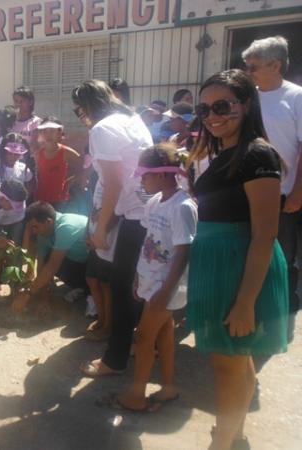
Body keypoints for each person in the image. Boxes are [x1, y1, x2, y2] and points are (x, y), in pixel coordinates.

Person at [187, 69, 288, 450]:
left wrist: (246, 301)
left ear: (246, 105)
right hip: (220, 264)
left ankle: (222, 443)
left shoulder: (257, 153)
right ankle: (235, 434)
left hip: (238, 266)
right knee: (234, 357)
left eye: (222, 106)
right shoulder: (227, 151)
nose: (212, 115)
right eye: (205, 108)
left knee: (227, 362)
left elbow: (265, 234)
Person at [72, 79, 154, 378]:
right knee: (139, 285)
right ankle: (140, 343)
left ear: (89, 106)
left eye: (79, 110)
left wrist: (101, 227)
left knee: (121, 288)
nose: (81, 116)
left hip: (135, 214)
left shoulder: (102, 129)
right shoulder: (132, 119)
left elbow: (115, 183)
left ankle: (115, 359)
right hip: (149, 208)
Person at [113, 143, 197, 412]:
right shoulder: (153, 202)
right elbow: (149, 243)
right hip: (151, 283)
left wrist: (165, 292)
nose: (142, 181)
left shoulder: (183, 207)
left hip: (165, 288)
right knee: (163, 337)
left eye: (145, 175)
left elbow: (183, 253)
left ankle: (137, 395)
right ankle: (169, 387)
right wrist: (140, 279)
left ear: (162, 174)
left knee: (144, 339)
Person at [242, 36, 302, 340]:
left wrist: (297, 191)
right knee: (252, 250)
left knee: (282, 254)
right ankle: (256, 306)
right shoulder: (248, 98)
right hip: (250, 191)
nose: (248, 71)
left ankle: (281, 313)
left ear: (275, 65)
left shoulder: (296, 97)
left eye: (253, 66)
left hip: (284, 194)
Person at [12, 202, 89, 317]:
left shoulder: (66, 227)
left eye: (35, 226)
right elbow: (41, 266)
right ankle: (83, 287)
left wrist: (27, 294)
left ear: (49, 221)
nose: (34, 231)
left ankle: (87, 290)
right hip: (78, 262)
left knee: (53, 262)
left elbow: (52, 266)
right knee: (48, 259)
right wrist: (44, 300)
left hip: (95, 266)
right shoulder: (43, 232)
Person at [32, 117, 82, 210]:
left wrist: (69, 182)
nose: (48, 135)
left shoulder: (66, 152)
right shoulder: (37, 155)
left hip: (60, 201)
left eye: (52, 131)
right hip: (40, 201)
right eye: (45, 131)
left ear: (59, 133)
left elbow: (84, 166)